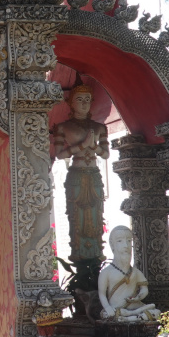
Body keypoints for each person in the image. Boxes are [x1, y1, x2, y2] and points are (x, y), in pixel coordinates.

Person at [52, 84, 109, 279]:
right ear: (70, 102)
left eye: (87, 100)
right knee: (77, 217)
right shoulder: (63, 127)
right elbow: (59, 154)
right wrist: (82, 146)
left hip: (94, 174)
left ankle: (95, 256)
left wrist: (93, 146)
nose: (84, 104)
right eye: (79, 100)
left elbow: (106, 154)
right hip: (75, 175)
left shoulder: (100, 127)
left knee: (95, 214)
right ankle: (79, 255)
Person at [98, 226, 160, 322]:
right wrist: (107, 307)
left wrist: (138, 297)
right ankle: (129, 317)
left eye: (129, 241)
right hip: (117, 309)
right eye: (120, 241)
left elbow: (144, 289)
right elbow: (102, 294)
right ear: (112, 244)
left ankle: (129, 317)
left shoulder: (135, 272)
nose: (126, 246)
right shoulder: (106, 272)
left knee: (157, 312)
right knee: (108, 315)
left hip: (137, 307)